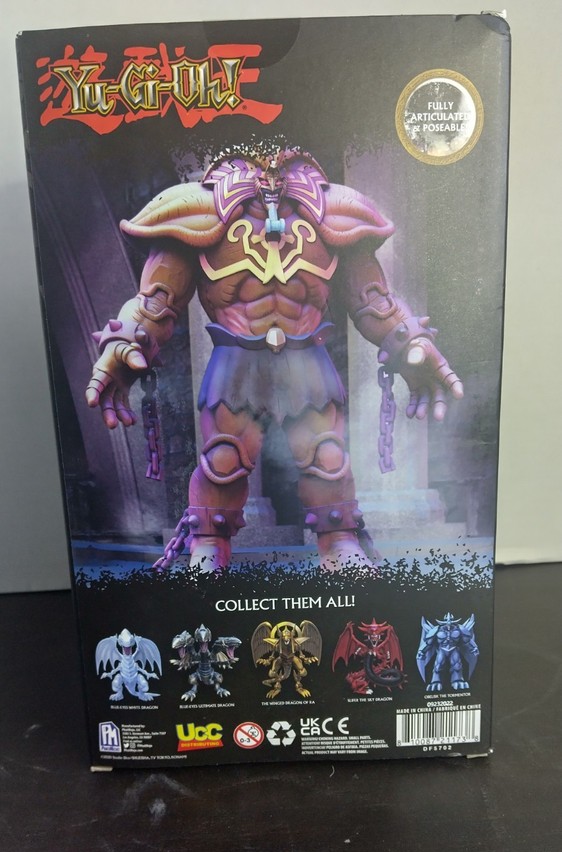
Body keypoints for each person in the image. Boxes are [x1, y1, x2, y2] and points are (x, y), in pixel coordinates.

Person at [85, 146, 463, 570]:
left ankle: (339, 539)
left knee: (327, 457)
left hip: (306, 360)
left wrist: (410, 343)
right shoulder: (200, 210)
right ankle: (209, 544)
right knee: (224, 460)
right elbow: (156, 302)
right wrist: (125, 343)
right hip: (237, 362)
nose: (269, 177)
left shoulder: (333, 212)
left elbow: (374, 301)